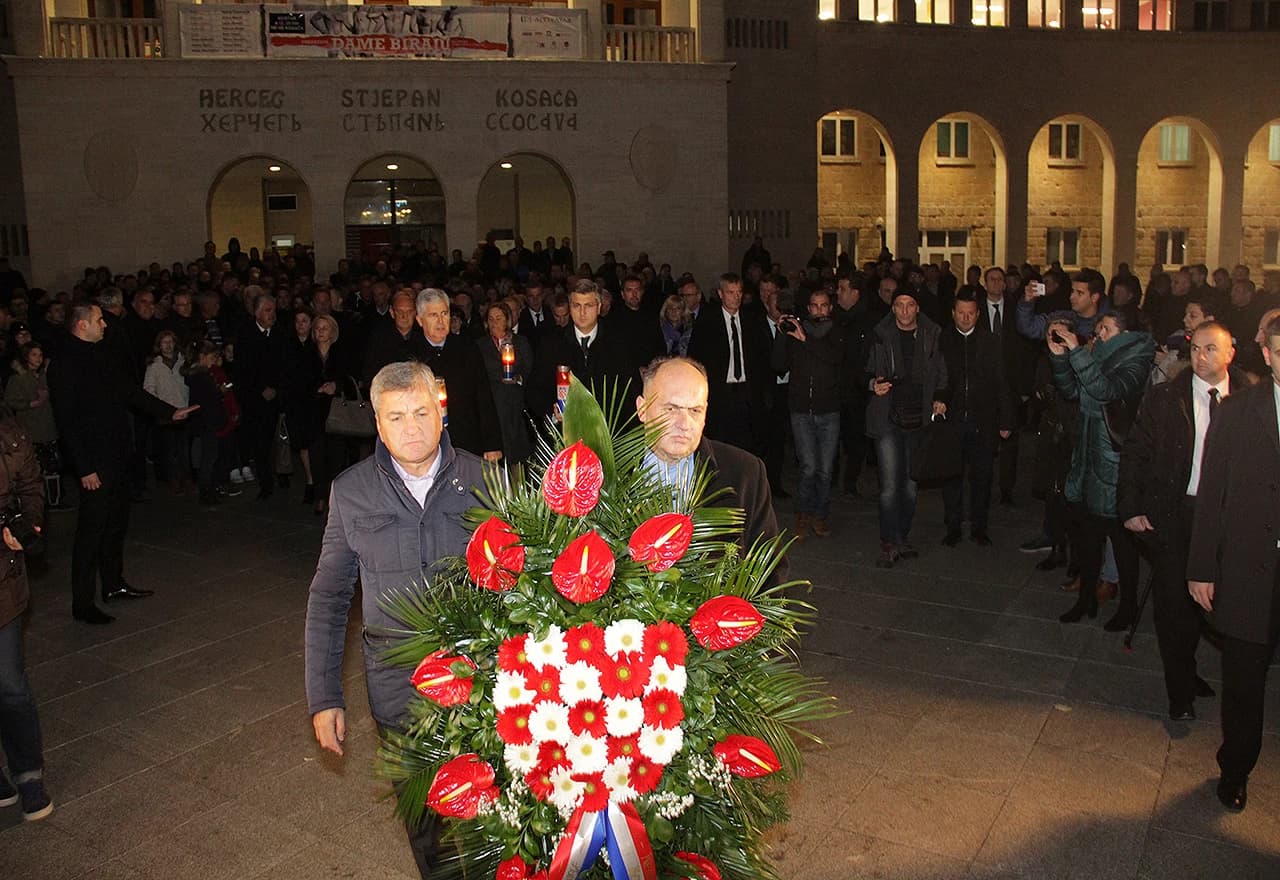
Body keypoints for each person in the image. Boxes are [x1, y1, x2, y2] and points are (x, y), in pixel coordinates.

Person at [305, 360, 485, 878]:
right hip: (397, 692)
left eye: (422, 412)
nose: (412, 428)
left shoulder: (482, 479)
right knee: (427, 831)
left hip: (478, 687)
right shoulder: (352, 491)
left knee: (489, 824)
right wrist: (324, 697)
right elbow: (329, 596)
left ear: (441, 410)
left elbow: (517, 585)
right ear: (378, 425)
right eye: (397, 417)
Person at [1119, 322, 1247, 721]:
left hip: (1229, 521)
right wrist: (1132, 507)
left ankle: (1194, 673)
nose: (1201, 356)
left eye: (1211, 349)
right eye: (1196, 349)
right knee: (1174, 609)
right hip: (1177, 514)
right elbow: (1136, 453)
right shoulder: (1165, 398)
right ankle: (1180, 692)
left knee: (1220, 607)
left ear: (1230, 354)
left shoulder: (1249, 401)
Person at [48, 304, 197, 624]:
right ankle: (82, 602)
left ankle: (113, 584)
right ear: (82, 325)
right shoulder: (63, 363)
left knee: (116, 522)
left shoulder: (103, 354)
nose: (105, 324)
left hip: (116, 454)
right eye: (99, 319)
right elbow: (67, 421)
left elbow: (131, 393)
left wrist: (169, 411)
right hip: (93, 462)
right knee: (91, 531)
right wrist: (84, 467)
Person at [1186, 315, 1280, 813]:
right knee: (1244, 679)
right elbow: (1212, 496)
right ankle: (1236, 768)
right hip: (1248, 568)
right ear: (1266, 355)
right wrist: (1202, 567)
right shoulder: (1239, 412)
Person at [1051, 311, 1154, 629]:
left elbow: (1106, 390)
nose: (1097, 333)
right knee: (1087, 535)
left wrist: (1080, 353)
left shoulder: (1137, 359)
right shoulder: (1097, 353)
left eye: (1105, 329)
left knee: (1122, 541)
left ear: (1123, 334)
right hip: (1087, 453)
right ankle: (1086, 601)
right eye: (1098, 328)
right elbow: (1073, 391)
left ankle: (1127, 606)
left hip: (1114, 459)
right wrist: (1059, 359)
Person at [634, 357, 781, 566]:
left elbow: (769, 570)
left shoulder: (744, 473)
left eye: (695, 411)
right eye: (671, 409)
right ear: (642, 409)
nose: (684, 424)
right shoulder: (608, 470)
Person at [864, 287, 948, 568]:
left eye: (909, 305)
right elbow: (860, 370)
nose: (904, 311)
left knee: (911, 486)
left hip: (918, 418)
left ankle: (902, 537)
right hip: (887, 416)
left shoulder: (932, 334)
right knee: (889, 486)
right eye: (899, 305)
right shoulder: (880, 334)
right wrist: (872, 384)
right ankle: (889, 541)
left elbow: (941, 374)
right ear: (892, 307)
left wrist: (940, 398)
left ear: (917, 308)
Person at [0, 413, 50, 821]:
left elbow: (31, 487)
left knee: (11, 684)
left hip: (2, 581)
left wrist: (27, 523)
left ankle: (29, 772)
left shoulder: (11, 434)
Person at [939, 291, 1015, 546]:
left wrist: (1006, 420)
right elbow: (938, 377)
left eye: (970, 313)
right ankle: (953, 527)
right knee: (951, 477)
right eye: (961, 312)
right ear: (953, 313)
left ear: (978, 314)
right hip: (952, 420)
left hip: (983, 420)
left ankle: (979, 527)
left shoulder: (990, 342)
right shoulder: (944, 340)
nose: (966, 317)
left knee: (982, 478)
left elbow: (1003, 381)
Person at [772, 289, 846, 538]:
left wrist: (807, 340)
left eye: (824, 305)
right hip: (801, 409)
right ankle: (803, 514)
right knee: (808, 466)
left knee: (825, 468)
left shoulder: (837, 331)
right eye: (814, 306)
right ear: (809, 308)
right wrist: (782, 335)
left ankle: (820, 514)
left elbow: (836, 359)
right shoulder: (797, 331)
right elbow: (778, 364)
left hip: (829, 409)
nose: (819, 310)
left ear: (830, 308)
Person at [687, 272, 772, 457]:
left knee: (747, 446)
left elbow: (762, 358)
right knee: (720, 445)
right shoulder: (708, 322)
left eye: (739, 292)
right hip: (720, 393)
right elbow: (696, 357)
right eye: (731, 292)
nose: (736, 297)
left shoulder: (751, 320)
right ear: (720, 294)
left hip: (747, 392)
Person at [413, 289, 503, 461]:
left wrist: (492, 443)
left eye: (444, 313)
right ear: (420, 320)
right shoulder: (410, 354)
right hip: (426, 442)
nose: (440, 321)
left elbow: (483, 396)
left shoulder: (467, 347)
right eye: (433, 315)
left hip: (467, 439)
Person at [476, 302, 533, 464]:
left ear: (507, 320)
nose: (494, 323)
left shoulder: (520, 342)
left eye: (498, 318)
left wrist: (518, 378)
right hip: (493, 406)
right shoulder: (480, 345)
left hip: (515, 407)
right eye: (491, 319)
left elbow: (529, 370)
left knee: (517, 458)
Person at [4, 342, 60, 507]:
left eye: (40, 355)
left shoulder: (44, 376)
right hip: (30, 430)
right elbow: (9, 401)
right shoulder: (18, 379)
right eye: (34, 355)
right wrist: (30, 403)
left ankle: (53, 500)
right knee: (33, 471)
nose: (38, 358)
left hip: (47, 428)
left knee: (52, 467)